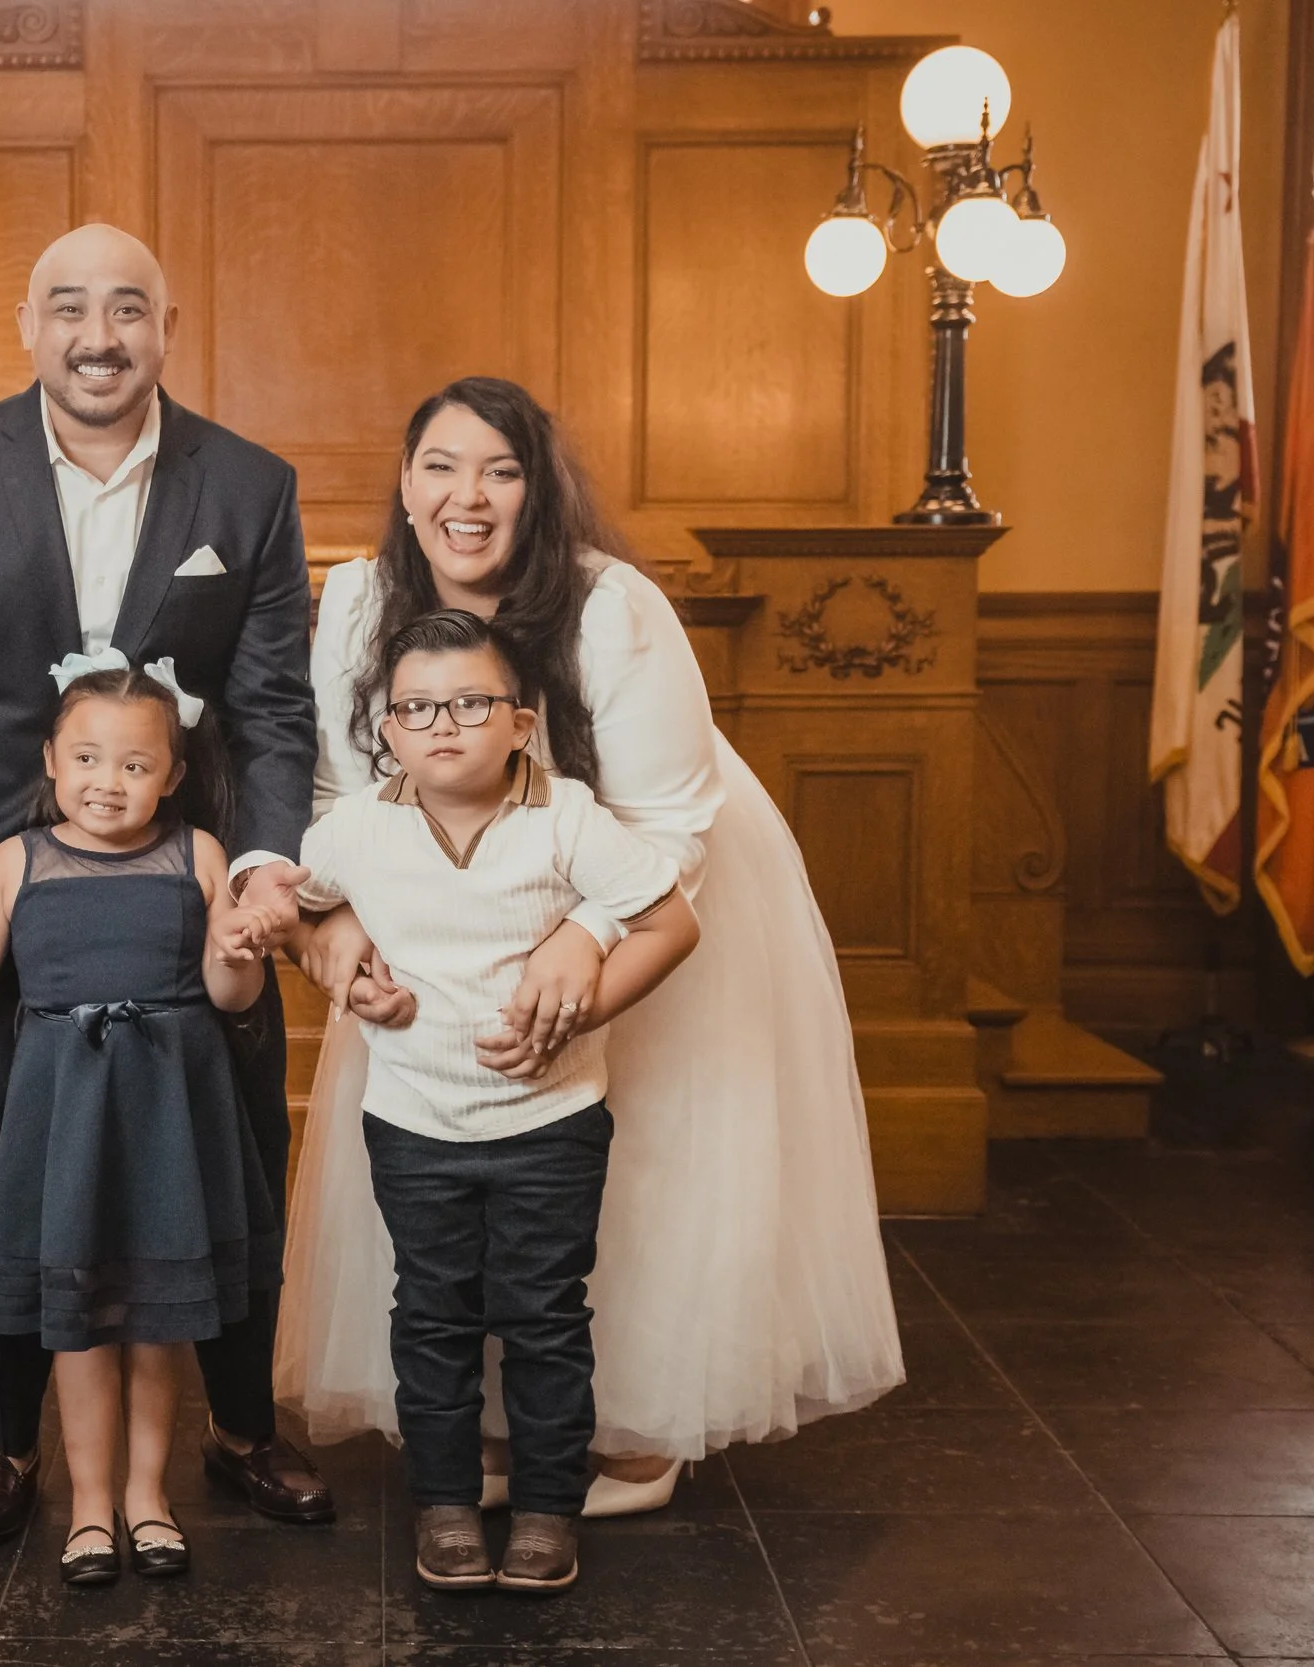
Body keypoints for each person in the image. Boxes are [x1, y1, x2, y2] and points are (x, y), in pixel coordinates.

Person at [276, 377, 904, 1515]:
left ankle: (636, 1426)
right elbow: (333, 791)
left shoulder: (610, 604)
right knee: (454, 1171)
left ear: (537, 491)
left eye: (501, 471)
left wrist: (581, 938)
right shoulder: (358, 600)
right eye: (440, 467)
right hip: (444, 906)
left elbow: (667, 821)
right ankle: (495, 1426)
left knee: (628, 1158)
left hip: (638, 878)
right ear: (404, 487)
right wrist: (338, 922)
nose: (468, 496)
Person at [0, 222, 334, 1548]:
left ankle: (238, 1426)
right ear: (27, 324)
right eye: (69, 307)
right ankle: (1, 1442)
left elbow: (277, 706)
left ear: (167, 326)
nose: (97, 335)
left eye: (125, 309)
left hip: (192, 896)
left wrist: (266, 871)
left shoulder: (251, 486)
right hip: (3, 887)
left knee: (228, 1159)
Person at [244, 608, 698, 1592]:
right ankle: (444, 1502)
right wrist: (340, 966)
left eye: (469, 702)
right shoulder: (359, 825)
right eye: (416, 706)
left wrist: (579, 1012)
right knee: (433, 1317)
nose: (442, 722)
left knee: (543, 1316)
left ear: (520, 723)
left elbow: (668, 924)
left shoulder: (564, 815)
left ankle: (544, 1507)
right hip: (413, 1125)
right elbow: (298, 908)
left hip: (551, 1122)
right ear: (389, 729)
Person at [0, 661, 281, 1584]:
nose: (107, 780)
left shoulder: (199, 854)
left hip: (169, 1106)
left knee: (158, 1318)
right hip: (68, 1110)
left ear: (172, 773)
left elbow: (226, 988)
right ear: (50, 759)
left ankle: (148, 1496)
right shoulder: (17, 860)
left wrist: (240, 949)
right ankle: (90, 1504)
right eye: (86, 757)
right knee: (79, 1320)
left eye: (135, 764)